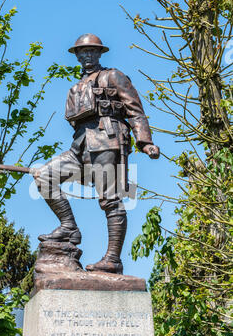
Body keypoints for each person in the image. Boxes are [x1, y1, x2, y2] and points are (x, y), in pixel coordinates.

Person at [34, 34, 160, 274]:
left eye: (92, 51)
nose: (87, 56)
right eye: (82, 52)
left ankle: (113, 259)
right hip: (80, 145)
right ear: (77, 56)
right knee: (44, 175)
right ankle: (69, 226)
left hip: (107, 141)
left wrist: (145, 142)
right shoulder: (78, 85)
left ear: (100, 53)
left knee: (111, 200)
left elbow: (135, 110)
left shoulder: (113, 76)